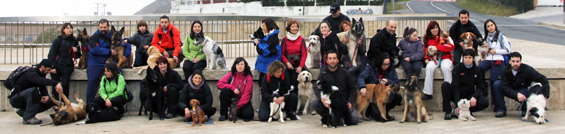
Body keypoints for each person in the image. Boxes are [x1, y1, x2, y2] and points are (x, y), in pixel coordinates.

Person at [492, 52, 549, 117]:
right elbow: (505, 86)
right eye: (513, 61)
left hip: (523, 90)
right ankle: (501, 109)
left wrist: (546, 95)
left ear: (520, 62)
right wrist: (516, 94)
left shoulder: (528, 69)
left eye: (517, 61)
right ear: (509, 61)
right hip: (509, 89)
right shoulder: (505, 70)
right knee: (497, 84)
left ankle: (525, 109)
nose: (515, 63)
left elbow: (543, 79)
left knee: (527, 92)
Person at [9, 59, 63, 124]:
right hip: (16, 99)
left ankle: (25, 111)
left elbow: (42, 86)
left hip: (26, 98)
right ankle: (28, 118)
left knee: (50, 101)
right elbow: (40, 81)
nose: (49, 72)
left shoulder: (40, 73)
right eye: (48, 70)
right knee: (33, 91)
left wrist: (45, 96)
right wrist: (56, 83)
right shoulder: (31, 73)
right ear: (42, 67)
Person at [312, 50, 359, 125]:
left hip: (343, 103)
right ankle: (329, 117)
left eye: (334, 58)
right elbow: (316, 87)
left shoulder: (345, 73)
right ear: (327, 60)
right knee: (315, 103)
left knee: (354, 119)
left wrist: (350, 102)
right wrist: (322, 99)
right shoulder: (323, 73)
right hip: (329, 102)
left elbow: (353, 88)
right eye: (330, 59)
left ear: (338, 60)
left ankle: (336, 118)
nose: (332, 61)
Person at [441, 49, 489, 120]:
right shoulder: (457, 68)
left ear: (473, 59)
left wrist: (475, 97)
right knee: (445, 85)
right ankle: (449, 111)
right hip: (456, 93)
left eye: (469, 58)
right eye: (465, 57)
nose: (467, 60)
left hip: (469, 95)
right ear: (463, 58)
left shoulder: (476, 70)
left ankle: (466, 111)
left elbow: (480, 86)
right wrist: (458, 104)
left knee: (484, 102)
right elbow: (456, 86)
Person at [478, 19, 511, 112]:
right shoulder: (486, 37)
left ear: (495, 25)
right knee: (480, 67)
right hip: (488, 58)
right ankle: (483, 87)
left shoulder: (501, 36)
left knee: (493, 80)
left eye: (491, 25)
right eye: (488, 26)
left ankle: (497, 104)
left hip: (498, 58)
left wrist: (496, 51)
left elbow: (508, 50)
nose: (490, 27)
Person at [357, 53, 402, 121]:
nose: (386, 66)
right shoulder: (371, 67)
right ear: (380, 63)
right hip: (373, 94)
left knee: (397, 97)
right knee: (378, 116)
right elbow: (361, 77)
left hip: (385, 94)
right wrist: (362, 87)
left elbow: (396, 83)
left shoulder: (391, 69)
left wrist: (388, 81)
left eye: (388, 64)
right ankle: (373, 113)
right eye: (384, 64)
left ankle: (384, 112)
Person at [87, 19, 117, 104]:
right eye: (101, 27)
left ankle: (118, 102)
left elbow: (123, 43)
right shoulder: (94, 37)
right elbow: (94, 50)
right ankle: (89, 104)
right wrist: (109, 51)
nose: (103, 29)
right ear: (98, 27)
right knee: (92, 82)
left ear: (108, 27)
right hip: (95, 62)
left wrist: (125, 55)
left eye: (105, 27)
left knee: (119, 76)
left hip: (109, 62)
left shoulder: (112, 35)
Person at [422, 21, 455, 100]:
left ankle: (449, 90)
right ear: (429, 30)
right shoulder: (427, 39)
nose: (435, 30)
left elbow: (451, 47)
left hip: (446, 57)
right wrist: (427, 58)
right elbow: (426, 51)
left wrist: (438, 47)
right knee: (429, 67)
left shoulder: (445, 37)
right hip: (434, 58)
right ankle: (428, 92)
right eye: (432, 28)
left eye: (436, 28)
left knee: (446, 68)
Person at [47, 23, 80, 100]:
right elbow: (52, 54)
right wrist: (52, 67)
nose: (69, 30)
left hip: (67, 65)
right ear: (63, 30)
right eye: (67, 28)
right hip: (57, 65)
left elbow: (79, 55)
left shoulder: (74, 41)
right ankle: (55, 105)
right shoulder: (58, 40)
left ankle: (65, 105)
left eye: (71, 28)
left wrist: (76, 51)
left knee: (65, 86)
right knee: (55, 86)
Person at [217, 57, 254, 122]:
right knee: (224, 92)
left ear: (245, 65)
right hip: (232, 100)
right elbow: (219, 83)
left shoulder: (248, 77)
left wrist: (236, 107)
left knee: (248, 115)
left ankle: (236, 112)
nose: (240, 66)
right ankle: (223, 114)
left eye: (242, 64)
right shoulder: (231, 74)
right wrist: (232, 88)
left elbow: (247, 94)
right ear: (235, 66)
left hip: (243, 101)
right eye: (238, 64)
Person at [281, 19, 308, 92]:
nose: (295, 28)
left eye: (296, 26)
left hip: (298, 65)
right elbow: (282, 54)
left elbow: (304, 54)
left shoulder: (302, 39)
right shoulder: (284, 39)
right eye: (293, 26)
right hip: (288, 65)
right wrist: (287, 63)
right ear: (289, 28)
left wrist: (300, 66)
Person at [254, 18, 281, 85]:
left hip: (270, 68)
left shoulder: (273, 38)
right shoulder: (270, 36)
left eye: (263, 26)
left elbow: (265, 51)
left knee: (268, 87)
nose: (262, 28)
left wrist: (258, 44)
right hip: (264, 67)